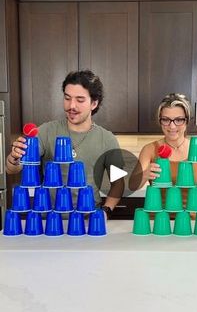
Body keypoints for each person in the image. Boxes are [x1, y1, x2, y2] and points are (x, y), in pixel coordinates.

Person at [6, 69, 124, 218]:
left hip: (88, 221)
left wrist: (106, 211)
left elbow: (118, 183)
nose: (71, 106)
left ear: (94, 103)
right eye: (67, 98)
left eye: (80, 100)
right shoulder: (45, 131)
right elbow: (13, 169)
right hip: (48, 220)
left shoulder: (107, 139)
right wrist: (14, 159)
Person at [129, 93, 197, 213]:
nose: (172, 126)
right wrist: (145, 174)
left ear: (187, 121)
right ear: (160, 121)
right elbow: (132, 186)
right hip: (158, 224)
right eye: (166, 120)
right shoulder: (150, 149)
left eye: (179, 119)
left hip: (191, 225)